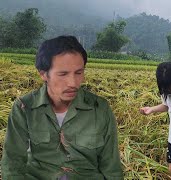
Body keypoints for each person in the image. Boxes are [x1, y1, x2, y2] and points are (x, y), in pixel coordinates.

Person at [1, 36, 124, 179]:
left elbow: (111, 166)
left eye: (79, 73)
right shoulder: (25, 107)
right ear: (43, 74)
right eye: (63, 74)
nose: (73, 83)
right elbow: (13, 163)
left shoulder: (99, 108)